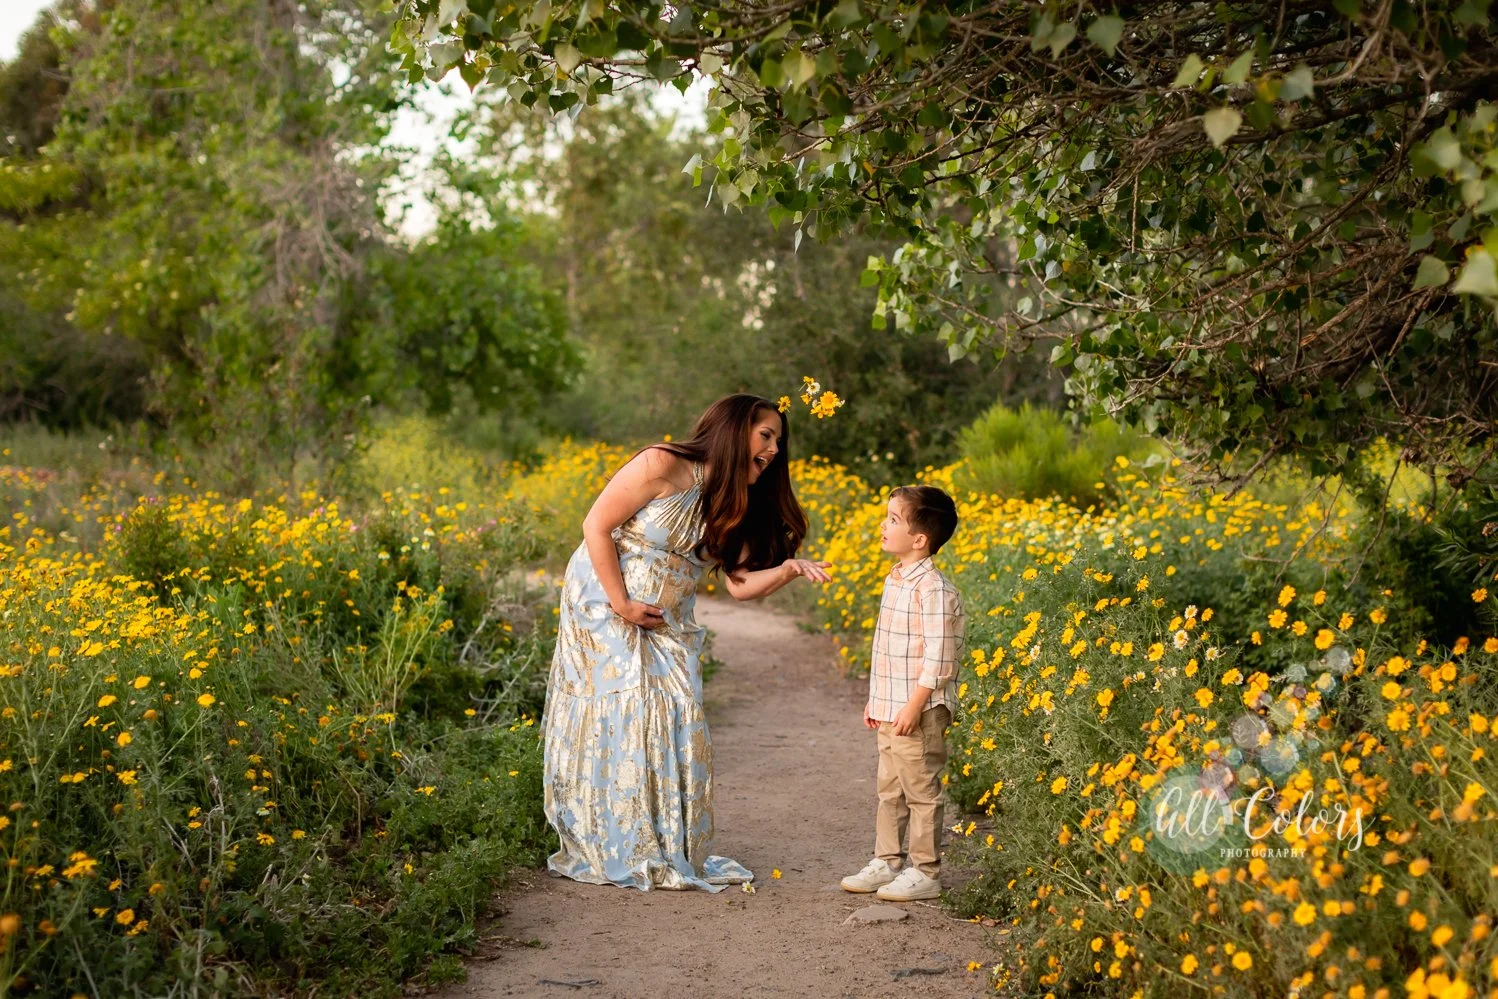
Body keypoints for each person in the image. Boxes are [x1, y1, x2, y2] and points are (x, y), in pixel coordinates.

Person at [542, 394, 833, 892]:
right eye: (766, 436)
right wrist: (622, 604)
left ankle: (657, 842)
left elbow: (740, 585)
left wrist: (786, 569)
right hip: (603, 600)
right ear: (735, 429)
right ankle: (613, 842)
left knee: (679, 712)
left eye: (778, 443)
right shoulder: (662, 463)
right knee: (629, 709)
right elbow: (596, 526)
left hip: (668, 620)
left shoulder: (736, 501)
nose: (773, 450)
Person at [841, 485, 964, 902]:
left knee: (921, 790)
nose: (883, 524)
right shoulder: (895, 579)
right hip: (891, 707)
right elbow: (889, 650)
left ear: (919, 539)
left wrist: (913, 706)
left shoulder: (934, 589)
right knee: (889, 789)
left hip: (920, 710)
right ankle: (887, 861)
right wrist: (877, 701)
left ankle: (925, 871)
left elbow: (940, 660)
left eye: (894, 519)